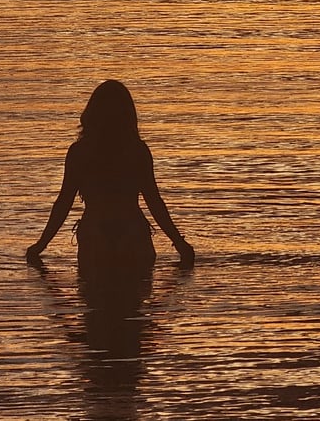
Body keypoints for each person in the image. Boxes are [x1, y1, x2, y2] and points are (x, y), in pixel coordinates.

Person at [26, 80, 195, 277]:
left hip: (95, 237)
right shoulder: (137, 151)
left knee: (95, 304)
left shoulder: (79, 152)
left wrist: (40, 245)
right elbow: (154, 201)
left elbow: (64, 202)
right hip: (133, 235)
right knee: (134, 304)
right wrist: (180, 243)